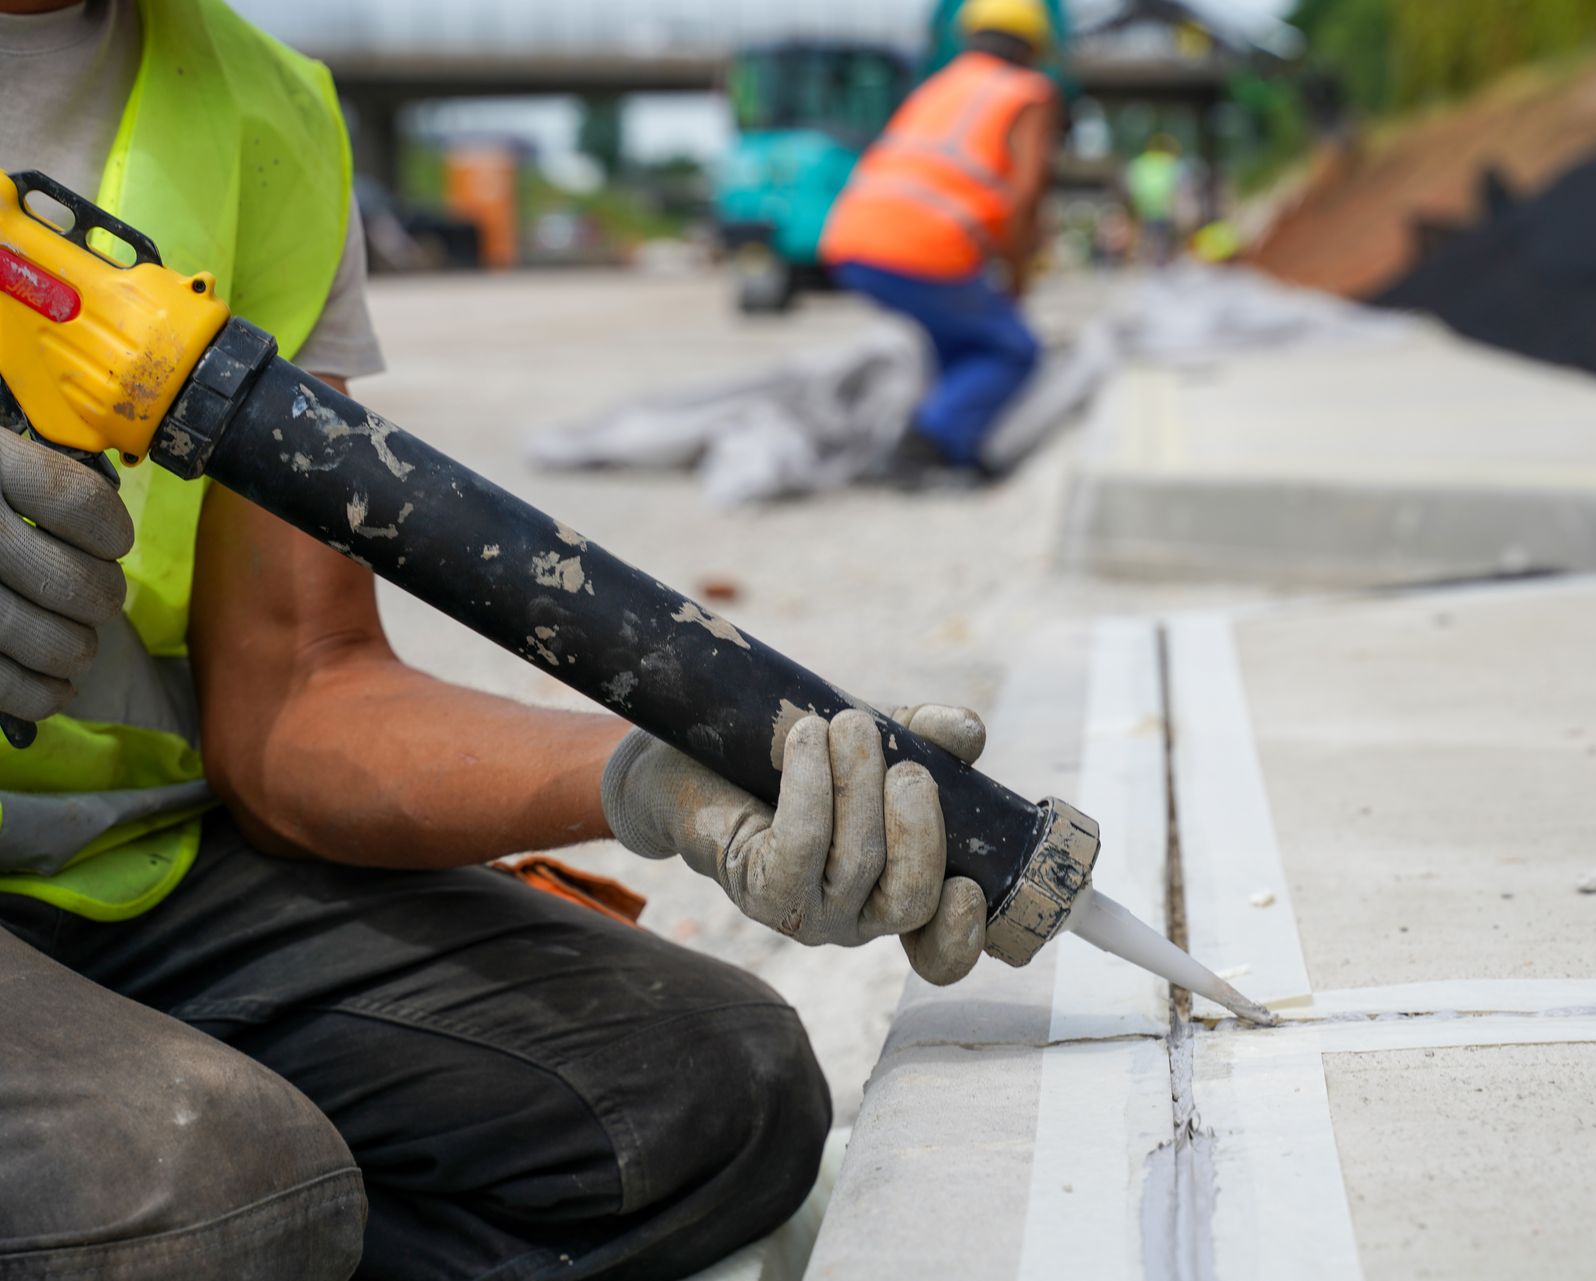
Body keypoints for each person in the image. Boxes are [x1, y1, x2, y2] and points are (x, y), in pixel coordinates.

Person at [0, 1, 989, 1277]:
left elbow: (299, 690)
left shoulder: (262, 108)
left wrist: (658, 781)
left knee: (711, 1094)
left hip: (136, 878)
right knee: (215, 1197)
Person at [820, 0, 1061, 485]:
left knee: (959, 342)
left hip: (851, 237)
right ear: (1035, 46)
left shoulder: (938, 87)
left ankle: (953, 445)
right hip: (923, 245)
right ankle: (923, 446)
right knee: (1013, 349)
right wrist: (1017, 274)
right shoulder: (1028, 92)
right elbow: (1026, 192)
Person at [1125, 133, 1184, 268]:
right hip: (1164, 205)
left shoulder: (1140, 162)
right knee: (1162, 236)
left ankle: (1144, 260)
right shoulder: (1169, 162)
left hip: (1144, 205)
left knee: (1145, 235)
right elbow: (1175, 185)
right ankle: (1160, 260)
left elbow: (1132, 183)